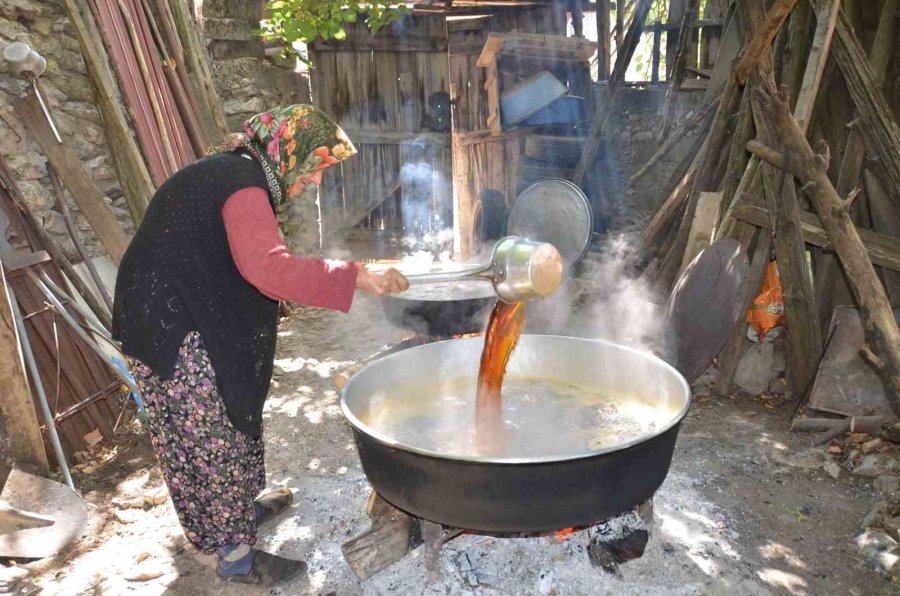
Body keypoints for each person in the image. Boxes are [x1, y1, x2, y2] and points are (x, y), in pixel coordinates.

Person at [112, 105, 408, 587]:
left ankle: (233, 517)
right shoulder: (242, 184)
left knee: (208, 429)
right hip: (171, 325)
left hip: (163, 313)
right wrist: (356, 276)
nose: (313, 183)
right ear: (287, 151)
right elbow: (269, 269)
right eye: (314, 168)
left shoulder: (234, 172)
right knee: (212, 431)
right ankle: (232, 555)